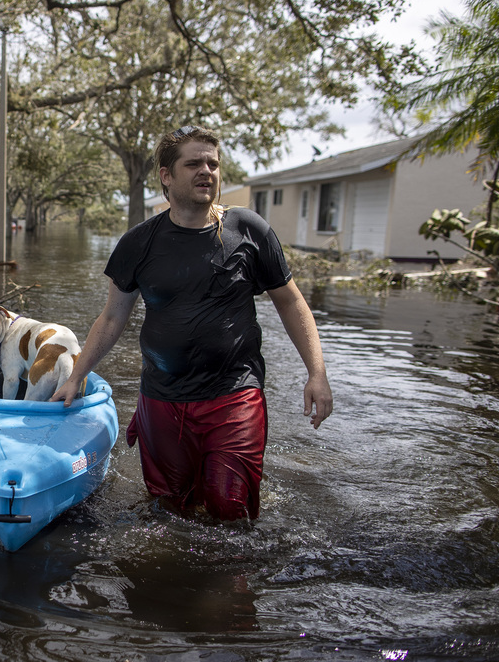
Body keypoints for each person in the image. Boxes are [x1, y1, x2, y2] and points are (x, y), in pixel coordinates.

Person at [51, 126, 332, 520]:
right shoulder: (139, 243)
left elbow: (291, 302)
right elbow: (113, 317)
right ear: (166, 175)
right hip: (163, 398)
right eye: (194, 163)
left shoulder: (247, 230)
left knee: (229, 509)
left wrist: (316, 372)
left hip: (234, 393)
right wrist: (76, 376)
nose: (207, 171)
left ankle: (233, 579)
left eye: (213, 164)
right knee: (171, 508)